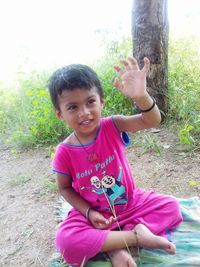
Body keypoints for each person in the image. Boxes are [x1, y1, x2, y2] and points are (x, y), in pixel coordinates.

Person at [48, 56, 183, 267]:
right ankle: (132, 237)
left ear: (101, 101)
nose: (84, 112)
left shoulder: (113, 125)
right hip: (94, 216)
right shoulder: (64, 152)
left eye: (90, 102)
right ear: (60, 114)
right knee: (66, 242)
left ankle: (112, 242)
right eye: (73, 107)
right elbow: (65, 189)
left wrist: (142, 97)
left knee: (172, 207)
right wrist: (89, 212)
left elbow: (152, 120)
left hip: (130, 203)